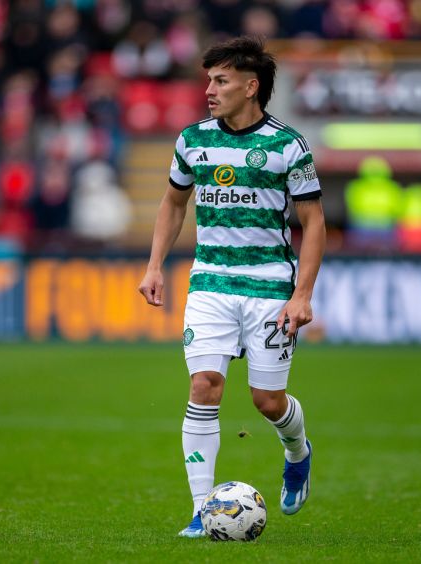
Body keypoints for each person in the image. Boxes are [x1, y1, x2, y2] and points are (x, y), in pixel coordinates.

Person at [138, 36, 326, 538]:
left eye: (221, 80)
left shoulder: (287, 145)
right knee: (204, 385)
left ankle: (297, 451)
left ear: (251, 86)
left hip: (269, 285)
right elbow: (173, 203)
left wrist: (302, 295)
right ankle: (202, 510)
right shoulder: (192, 140)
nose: (209, 90)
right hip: (210, 282)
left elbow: (313, 222)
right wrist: (154, 266)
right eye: (208, 80)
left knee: (267, 400)